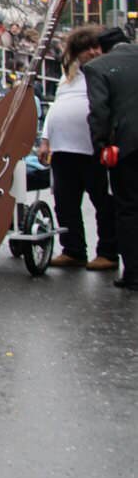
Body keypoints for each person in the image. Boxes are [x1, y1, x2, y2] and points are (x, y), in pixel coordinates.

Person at [38, 26, 117, 270]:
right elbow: (55, 107)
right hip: (63, 148)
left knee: (103, 203)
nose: (92, 52)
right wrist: (45, 139)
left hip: (92, 147)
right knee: (65, 202)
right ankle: (73, 249)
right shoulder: (67, 77)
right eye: (86, 49)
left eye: (96, 47)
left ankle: (108, 252)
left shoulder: (105, 73)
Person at [83, 26, 138, 290]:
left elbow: (99, 111)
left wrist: (101, 145)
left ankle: (134, 274)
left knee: (128, 208)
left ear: (100, 49)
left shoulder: (98, 67)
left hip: (126, 147)